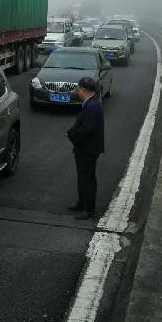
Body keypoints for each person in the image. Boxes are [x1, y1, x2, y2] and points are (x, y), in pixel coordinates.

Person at [66, 76, 105, 220]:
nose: (77, 92)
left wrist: (71, 135)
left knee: (87, 179)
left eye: (78, 89)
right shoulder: (91, 103)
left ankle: (89, 209)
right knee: (82, 177)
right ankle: (82, 203)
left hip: (88, 149)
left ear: (83, 90)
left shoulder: (92, 106)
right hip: (85, 148)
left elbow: (86, 129)